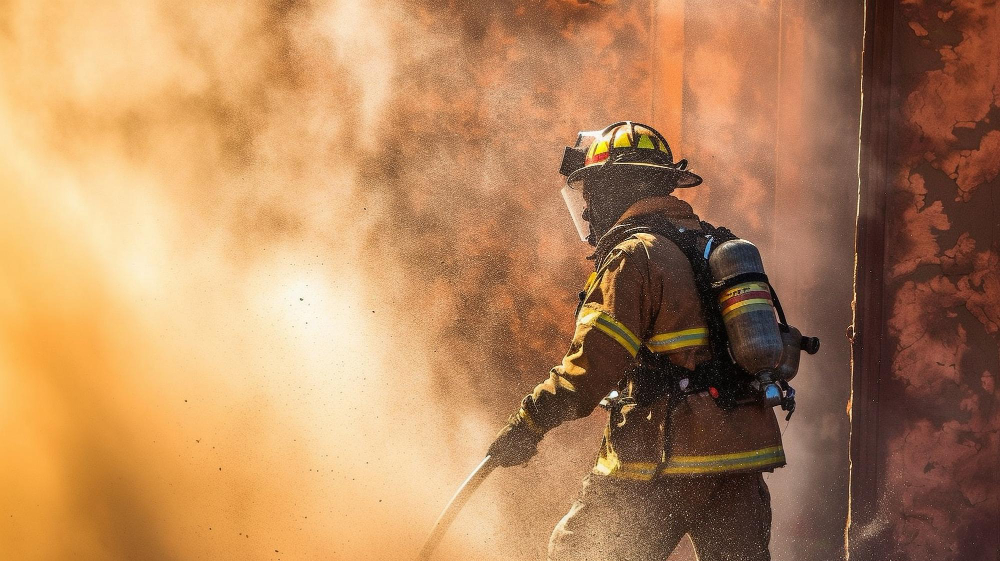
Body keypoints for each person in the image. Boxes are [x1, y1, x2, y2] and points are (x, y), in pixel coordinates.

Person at [487, 121, 785, 561]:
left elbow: (589, 370)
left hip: (662, 456)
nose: (587, 212)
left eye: (591, 195)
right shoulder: (712, 245)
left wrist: (527, 425)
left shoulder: (634, 258)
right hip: (740, 457)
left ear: (615, 189)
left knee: (578, 552)